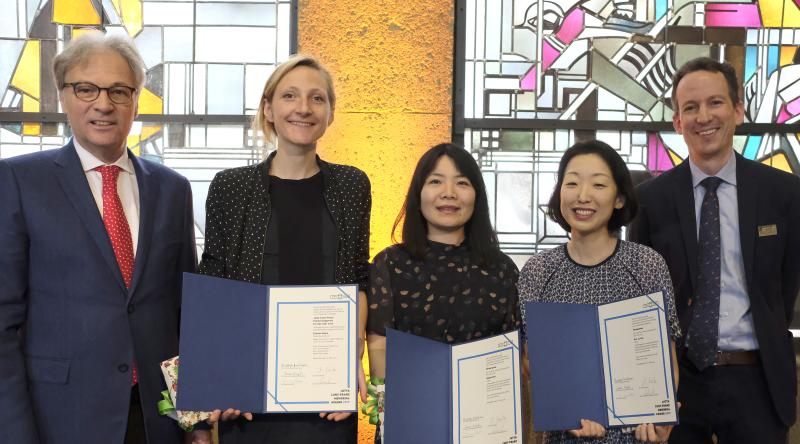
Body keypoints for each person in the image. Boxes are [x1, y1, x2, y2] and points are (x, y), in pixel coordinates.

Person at [0, 33, 197, 444]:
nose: (103, 104)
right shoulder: (18, 181)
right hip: (59, 417)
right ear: (62, 95)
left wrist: (195, 417)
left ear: (137, 100)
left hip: (156, 420)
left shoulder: (172, 189)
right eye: (86, 89)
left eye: (119, 91)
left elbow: (185, 314)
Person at [197, 54, 369, 444]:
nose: (303, 108)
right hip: (246, 394)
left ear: (330, 113)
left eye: (317, 98)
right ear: (268, 109)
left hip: (326, 398)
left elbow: (360, 278)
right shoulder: (231, 187)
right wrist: (217, 374)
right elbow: (214, 282)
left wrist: (350, 358)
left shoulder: (351, 185)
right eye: (290, 96)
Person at [629, 57, 800, 443]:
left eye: (715, 103)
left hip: (757, 380)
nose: (703, 116)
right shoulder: (650, 202)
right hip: (678, 381)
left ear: (738, 111)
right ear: (677, 122)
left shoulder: (785, 194)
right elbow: (642, 297)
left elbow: (784, 288)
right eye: (690, 108)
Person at [518, 140, 681, 443]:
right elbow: (530, 361)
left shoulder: (646, 264)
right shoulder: (538, 270)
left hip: (634, 436)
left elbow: (665, 360)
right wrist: (566, 412)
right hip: (565, 435)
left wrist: (659, 416)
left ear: (619, 198)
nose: (583, 196)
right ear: (559, 193)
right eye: (572, 183)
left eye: (598, 184)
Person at [366, 143, 522, 440]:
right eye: (435, 181)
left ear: (477, 196)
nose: (449, 192)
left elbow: (510, 355)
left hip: (484, 428)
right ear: (418, 194)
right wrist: (386, 412)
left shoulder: (502, 269)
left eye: (462, 183)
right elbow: (378, 345)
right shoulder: (390, 264)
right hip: (410, 423)